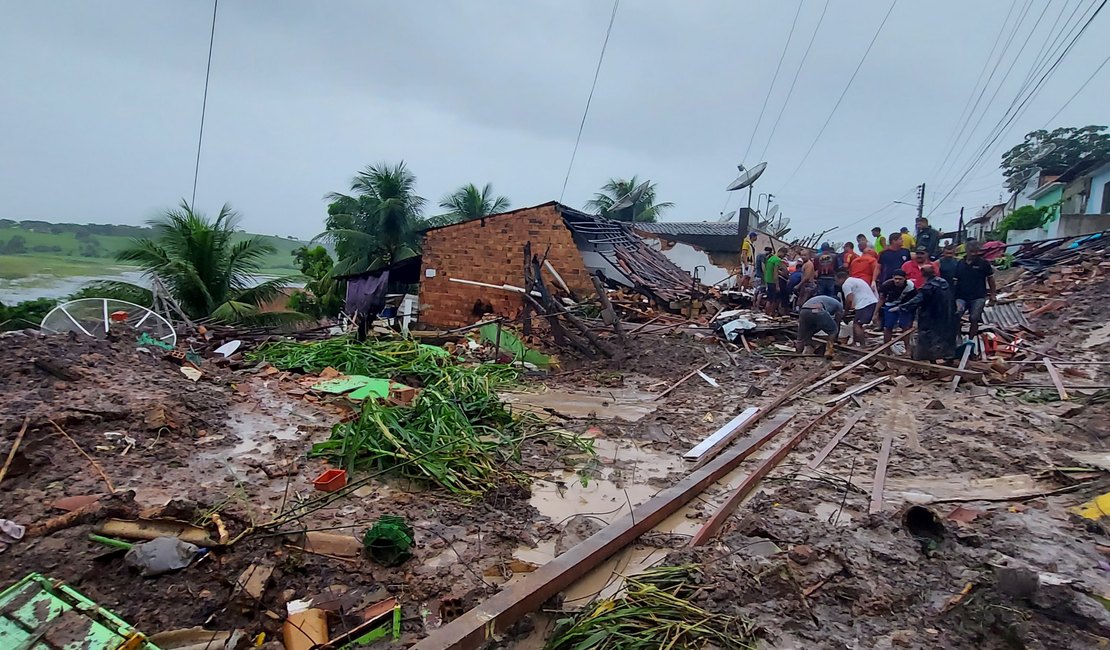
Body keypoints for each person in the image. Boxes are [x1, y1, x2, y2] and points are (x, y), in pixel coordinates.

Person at [897, 264, 958, 361]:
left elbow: (918, 300)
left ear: (922, 274)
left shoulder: (928, 287)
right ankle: (946, 356)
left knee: (928, 338)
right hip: (946, 316)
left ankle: (927, 358)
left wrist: (903, 307)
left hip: (931, 317)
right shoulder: (944, 283)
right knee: (944, 337)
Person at [955, 240, 996, 339]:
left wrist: (992, 295)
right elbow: (955, 281)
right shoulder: (960, 263)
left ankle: (971, 339)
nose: (974, 254)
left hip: (978, 296)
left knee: (974, 318)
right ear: (967, 251)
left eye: (976, 252)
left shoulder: (983, 263)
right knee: (956, 315)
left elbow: (991, 279)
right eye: (972, 252)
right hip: (961, 296)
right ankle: (958, 337)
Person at [836, 270, 878, 347]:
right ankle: (854, 342)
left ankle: (862, 345)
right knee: (855, 322)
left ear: (840, 278)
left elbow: (849, 299)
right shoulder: (858, 280)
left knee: (857, 324)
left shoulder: (846, 284)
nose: (837, 283)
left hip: (864, 304)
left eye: (837, 280)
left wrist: (846, 312)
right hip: (872, 301)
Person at [874, 269, 916, 345]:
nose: (897, 281)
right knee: (888, 327)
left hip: (905, 305)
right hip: (890, 305)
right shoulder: (886, 285)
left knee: (905, 327)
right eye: (895, 279)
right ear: (892, 278)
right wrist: (875, 313)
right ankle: (887, 348)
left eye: (900, 279)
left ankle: (908, 349)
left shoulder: (910, 286)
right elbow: (881, 299)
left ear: (905, 278)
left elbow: (914, 300)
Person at [763, 247, 787, 316]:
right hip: (773, 281)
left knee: (769, 299)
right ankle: (771, 313)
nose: (784, 256)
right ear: (781, 252)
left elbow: (767, 269)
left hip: (768, 279)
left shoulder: (771, 258)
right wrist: (777, 285)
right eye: (784, 254)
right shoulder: (777, 260)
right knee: (774, 299)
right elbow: (775, 272)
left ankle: (766, 313)